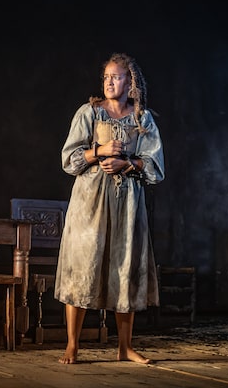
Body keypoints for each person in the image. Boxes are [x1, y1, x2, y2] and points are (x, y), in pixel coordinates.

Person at [54, 52, 165, 365]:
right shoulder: (89, 113)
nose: (109, 82)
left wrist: (127, 163)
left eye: (116, 77)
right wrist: (99, 151)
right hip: (89, 203)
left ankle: (125, 347)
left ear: (130, 82)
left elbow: (155, 167)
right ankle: (73, 345)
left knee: (124, 267)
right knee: (82, 265)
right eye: (106, 77)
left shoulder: (142, 118)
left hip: (127, 204)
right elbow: (69, 160)